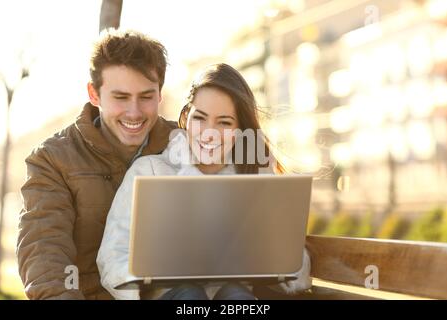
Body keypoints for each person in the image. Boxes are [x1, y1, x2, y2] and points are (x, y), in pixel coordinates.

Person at [97, 63, 312, 300]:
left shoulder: (253, 178)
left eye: (224, 122)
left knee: (236, 297)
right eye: (200, 118)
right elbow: (112, 256)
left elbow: (296, 269)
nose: (209, 132)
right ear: (186, 117)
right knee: (190, 295)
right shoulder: (148, 171)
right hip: (170, 297)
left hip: (231, 295)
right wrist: (149, 277)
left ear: (240, 129)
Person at [16, 29, 177, 300]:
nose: (134, 112)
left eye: (146, 97)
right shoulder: (53, 160)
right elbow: (45, 253)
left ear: (160, 94)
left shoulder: (185, 146)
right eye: (121, 97)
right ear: (94, 94)